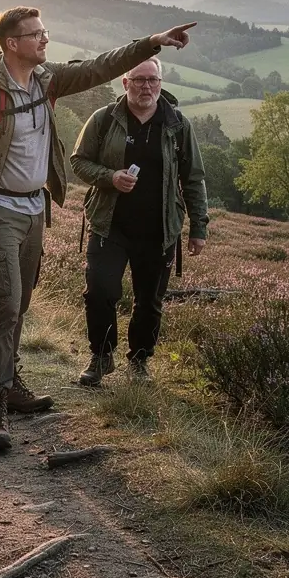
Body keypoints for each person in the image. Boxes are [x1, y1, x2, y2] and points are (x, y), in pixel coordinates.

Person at [0, 5, 197, 451]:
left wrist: (152, 41)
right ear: (12, 44)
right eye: (36, 35)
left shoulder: (46, 79)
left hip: (34, 208)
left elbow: (101, 66)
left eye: (45, 32)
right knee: (5, 305)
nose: (44, 40)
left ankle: (11, 381)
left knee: (20, 304)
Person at [71, 58, 208, 386]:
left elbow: (194, 178)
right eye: (139, 80)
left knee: (149, 301)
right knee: (100, 291)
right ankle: (101, 356)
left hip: (159, 230)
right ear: (125, 83)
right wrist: (109, 177)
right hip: (109, 225)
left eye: (152, 80)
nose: (146, 86)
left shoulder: (177, 125)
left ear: (161, 83)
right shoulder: (104, 120)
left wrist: (199, 227)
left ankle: (139, 360)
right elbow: (79, 161)